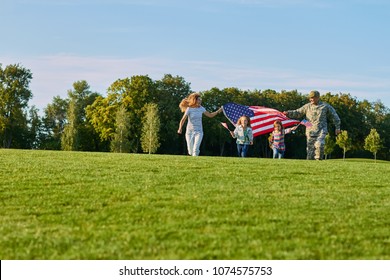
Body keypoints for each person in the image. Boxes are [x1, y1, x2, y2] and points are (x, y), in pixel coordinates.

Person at [283, 90, 341, 160]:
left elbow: (334, 116)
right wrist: (288, 113)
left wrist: (337, 127)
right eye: (310, 98)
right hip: (310, 132)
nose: (311, 99)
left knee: (319, 145)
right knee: (310, 153)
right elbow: (297, 112)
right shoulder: (307, 107)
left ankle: (318, 162)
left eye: (313, 98)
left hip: (321, 131)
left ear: (318, 97)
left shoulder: (325, 106)